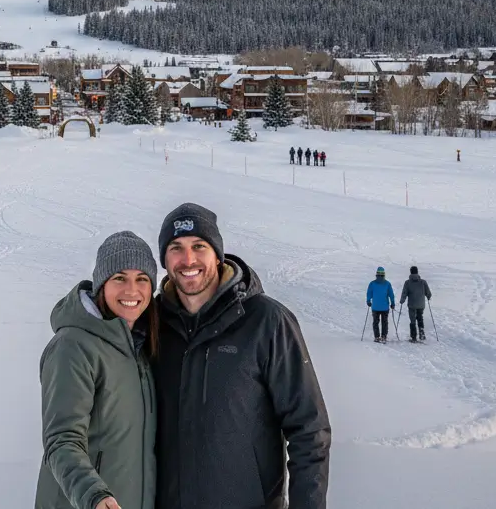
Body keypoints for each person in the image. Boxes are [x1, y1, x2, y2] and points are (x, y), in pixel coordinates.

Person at [153, 203, 330, 509]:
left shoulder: (266, 321)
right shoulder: (153, 325)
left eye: (199, 246)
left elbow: (309, 431)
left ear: (217, 255)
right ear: (165, 260)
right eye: (176, 248)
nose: (188, 259)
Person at [35, 231, 158, 509]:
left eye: (142, 279)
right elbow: (61, 440)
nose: (131, 290)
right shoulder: (73, 346)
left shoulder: (140, 349)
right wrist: (93, 494)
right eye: (119, 278)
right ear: (102, 284)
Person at [400, 266, 432, 342]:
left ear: (410, 272)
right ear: (417, 272)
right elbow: (428, 293)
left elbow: (404, 293)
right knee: (420, 317)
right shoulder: (423, 282)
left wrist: (402, 300)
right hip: (421, 304)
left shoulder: (407, 282)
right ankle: (422, 334)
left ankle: (413, 337)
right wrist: (428, 296)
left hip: (412, 304)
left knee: (413, 320)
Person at [366, 267, 395, 343]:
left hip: (375, 307)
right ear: (384, 274)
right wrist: (392, 303)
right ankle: (384, 337)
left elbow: (369, 293)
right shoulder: (387, 284)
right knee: (384, 322)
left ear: (377, 274)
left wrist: (368, 301)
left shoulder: (372, 284)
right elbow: (391, 295)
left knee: (375, 322)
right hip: (385, 307)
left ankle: (376, 337)